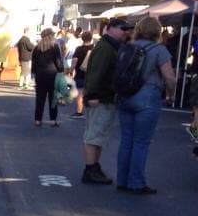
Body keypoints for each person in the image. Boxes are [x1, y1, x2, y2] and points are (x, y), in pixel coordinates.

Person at [115, 16, 175, 194]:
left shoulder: (127, 48)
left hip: (126, 96)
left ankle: (122, 180)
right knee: (141, 142)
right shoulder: (159, 50)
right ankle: (136, 182)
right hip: (147, 97)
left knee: (126, 140)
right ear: (157, 31)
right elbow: (169, 77)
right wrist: (170, 94)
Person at [81, 17, 134, 184]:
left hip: (104, 97)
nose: (126, 32)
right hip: (101, 98)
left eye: (127, 29)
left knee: (98, 135)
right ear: (110, 28)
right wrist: (92, 95)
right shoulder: (105, 48)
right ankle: (90, 169)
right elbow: (96, 73)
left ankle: (93, 167)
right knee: (95, 135)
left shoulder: (110, 46)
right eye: (122, 29)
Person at [31, 28, 63, 126]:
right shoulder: (55, 47)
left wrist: (34, 73)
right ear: (50, 36)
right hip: (52, 75)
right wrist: (61, 71)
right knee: (52, 99)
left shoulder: (36, 48)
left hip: (40, 76)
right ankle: (53, 120)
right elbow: (58, 62)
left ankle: (38, 120)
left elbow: (34, 63)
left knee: (40, 98)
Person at [68, 30, 93, 119]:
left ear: (82, 39)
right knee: (91, 93)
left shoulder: (79, 49)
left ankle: (79, 112)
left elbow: (74, 60)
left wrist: (71, 70)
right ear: (91, 38)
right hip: (92, 74)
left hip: (80, 74)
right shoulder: (94, 48)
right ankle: (91, 112)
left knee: (80, 94)